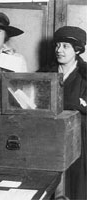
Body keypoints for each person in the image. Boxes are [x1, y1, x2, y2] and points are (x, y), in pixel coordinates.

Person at [45, 26, 87, 200]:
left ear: (77, 50)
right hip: (50, 140)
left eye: (65, 46)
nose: (59, 50)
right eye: (57, 45)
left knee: (77, 187)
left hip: (80, 141)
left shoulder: (85, 75)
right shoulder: (45, 74)